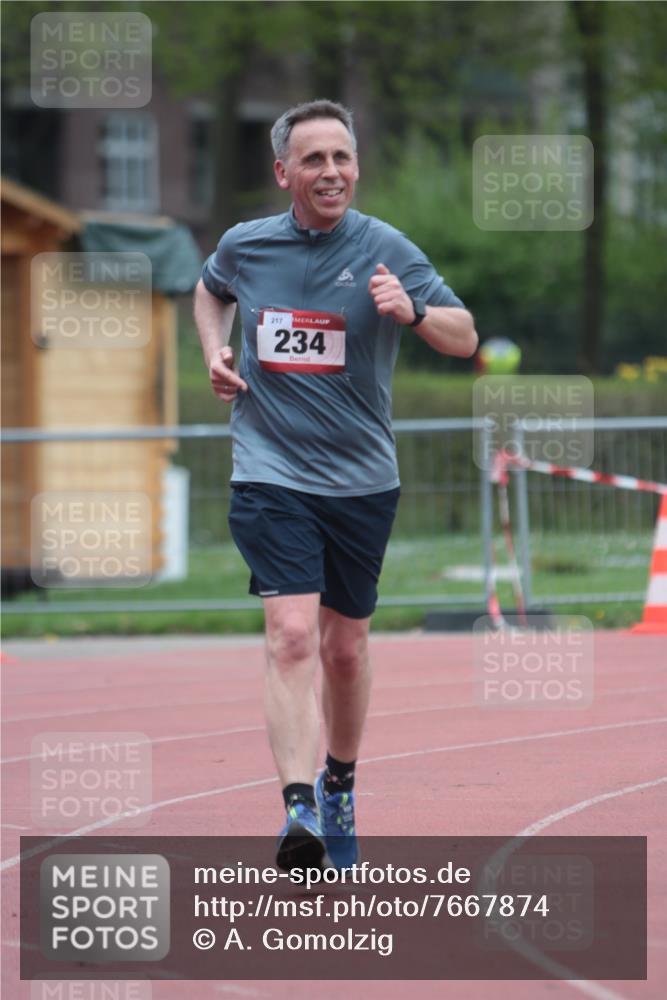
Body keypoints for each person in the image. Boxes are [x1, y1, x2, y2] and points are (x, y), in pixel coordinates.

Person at [193, 99, 477, 873]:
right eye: (313, 160)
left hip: (359, 481)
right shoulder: (246, 245)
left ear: (356, 168)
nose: (330, 172)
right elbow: (210, 288)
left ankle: (339, 782)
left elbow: (465, 335)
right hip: (269, 471)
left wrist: (413, 310)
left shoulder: (386, 247)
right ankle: (298, 809)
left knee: (343, 649)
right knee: (289, 635)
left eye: (341, 158)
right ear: (284, 172)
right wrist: (215, 353)